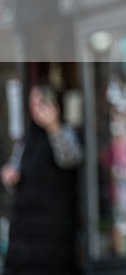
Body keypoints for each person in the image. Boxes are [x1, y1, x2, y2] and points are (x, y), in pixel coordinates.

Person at [1, 84, 83, 275]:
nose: (37, 107)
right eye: (33, 102)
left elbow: (70, 158)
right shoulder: (26, 139)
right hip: (24, 236)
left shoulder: (65, 131)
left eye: (42, 101)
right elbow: (14, 172)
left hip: (52, 233)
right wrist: (10, 177)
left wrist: (54, 127)